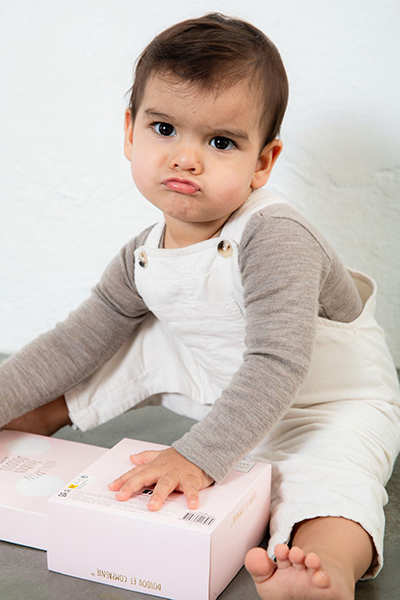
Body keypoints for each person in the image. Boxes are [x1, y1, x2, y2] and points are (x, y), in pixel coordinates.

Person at [1, 13, 399, 600]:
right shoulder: (142, 255)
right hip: (226, 384)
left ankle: (322, 569)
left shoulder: (276, 236)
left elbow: (278, 361)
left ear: (263, 162)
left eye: (220, 142)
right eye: (164, 129)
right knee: (111, 347)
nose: (186, 159)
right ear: (130, 131)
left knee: (333, 478)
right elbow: (72, 342)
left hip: (324, 403)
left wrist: (197, 455)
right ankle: (19, 417)